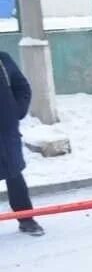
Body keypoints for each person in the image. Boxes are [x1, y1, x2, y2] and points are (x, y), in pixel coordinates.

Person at [0, 52, 43, 237]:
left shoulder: (2, 59)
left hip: (6, 132)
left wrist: (16, 111)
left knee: (14, 175)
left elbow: (22, 86)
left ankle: (26, 219)